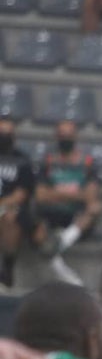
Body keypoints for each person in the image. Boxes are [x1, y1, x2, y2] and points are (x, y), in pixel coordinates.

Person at [35, 120, 102, 285]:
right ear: (57, 136)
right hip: (51, 212)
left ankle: (62, 240)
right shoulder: (49, 161)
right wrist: (73, 193)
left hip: (76, 215)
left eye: (69, 135)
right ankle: (61, 265)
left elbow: (90, 197)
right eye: (62, 135)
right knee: (34, 221)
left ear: (75, 136)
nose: (66, 138)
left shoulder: (87, 162)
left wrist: (57, 193)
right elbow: (40, 195)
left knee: (95, 208)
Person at [0, 117, 38, 289]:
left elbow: (22, 193)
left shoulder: (22, 160)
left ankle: (7, 267)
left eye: (7, 134)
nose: (4, 137)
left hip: (11, 207)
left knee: (10, 215)